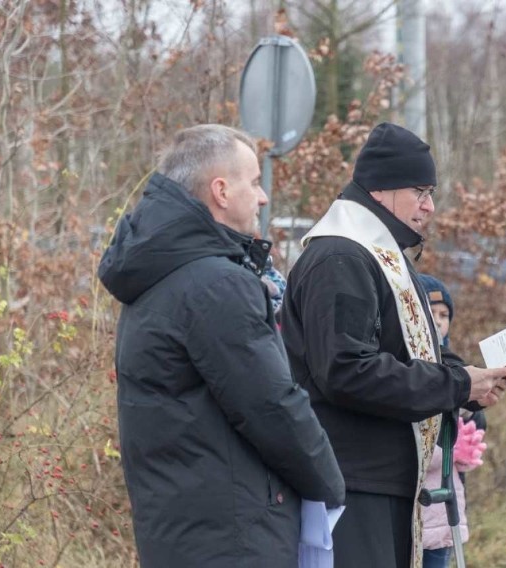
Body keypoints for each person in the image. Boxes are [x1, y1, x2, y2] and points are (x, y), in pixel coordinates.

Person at [97, 124, 345, 568]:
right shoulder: (216, 284)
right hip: (234, 537)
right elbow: (271, 406)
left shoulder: (161, 274)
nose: (263, 196)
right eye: (253, 182)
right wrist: (330, 483)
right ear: (221, 191)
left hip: (184, 531)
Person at [280, 122, 506, 568]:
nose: (429, 207)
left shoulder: (378, 252)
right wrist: (455, 385)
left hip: (383, 478)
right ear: (381, 190)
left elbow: (413, 349)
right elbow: (347, 370)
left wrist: (465, 378)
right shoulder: (342, 257)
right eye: (420, 192)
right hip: (353, 480)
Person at [417, 273, 487, 568]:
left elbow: (476, 426)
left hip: (444, 508)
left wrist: (472, 410)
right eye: (431, 313)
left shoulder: (454, 365)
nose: (439, 320)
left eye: (444, 314)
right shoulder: (413, 369)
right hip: (420, 499)